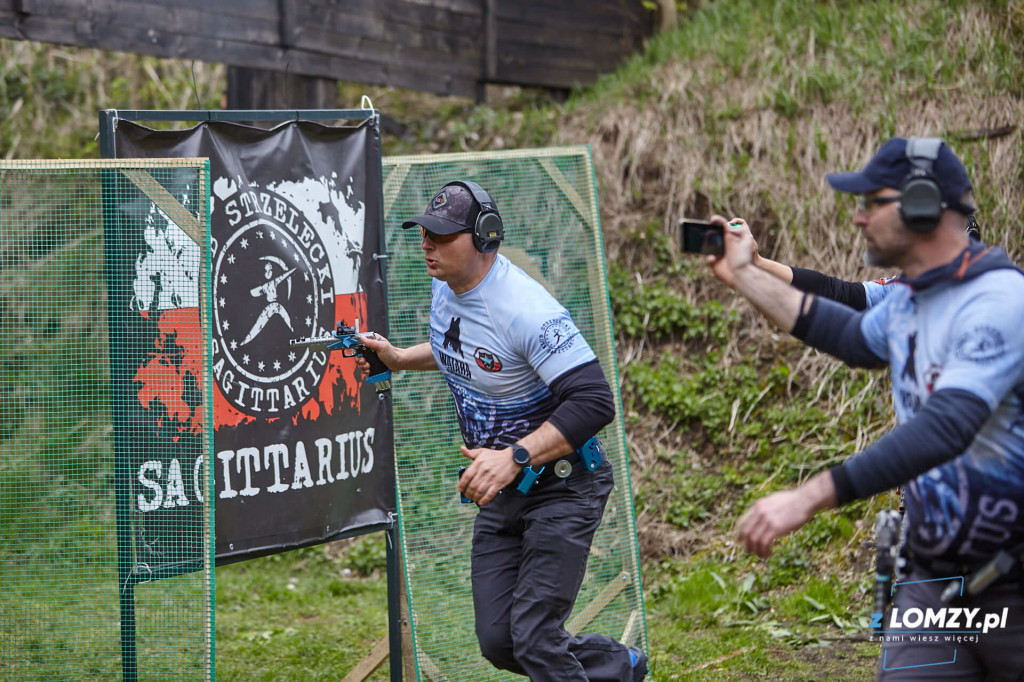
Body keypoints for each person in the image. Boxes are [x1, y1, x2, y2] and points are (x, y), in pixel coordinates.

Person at [705, 137, 1024, 680]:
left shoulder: (1000, 303)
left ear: (922, 205)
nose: (858, 218)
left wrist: (808, 497)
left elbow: (946, 427)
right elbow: (850, 335)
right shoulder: (911, 297)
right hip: (935, 582)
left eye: (871, 202)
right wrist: (745, 275)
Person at [355, 181, 647, 682]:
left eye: (442, 236)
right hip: (505, 487)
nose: (427, 244)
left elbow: (596, 401)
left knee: (533, 638)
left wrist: (512, 456)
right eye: (424, 233)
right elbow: (461, 349)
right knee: (500, 641)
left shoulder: (525, 309)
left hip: (563, 485)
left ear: (485, 238)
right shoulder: (444, 285)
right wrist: (400, 360)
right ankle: (622, 666)